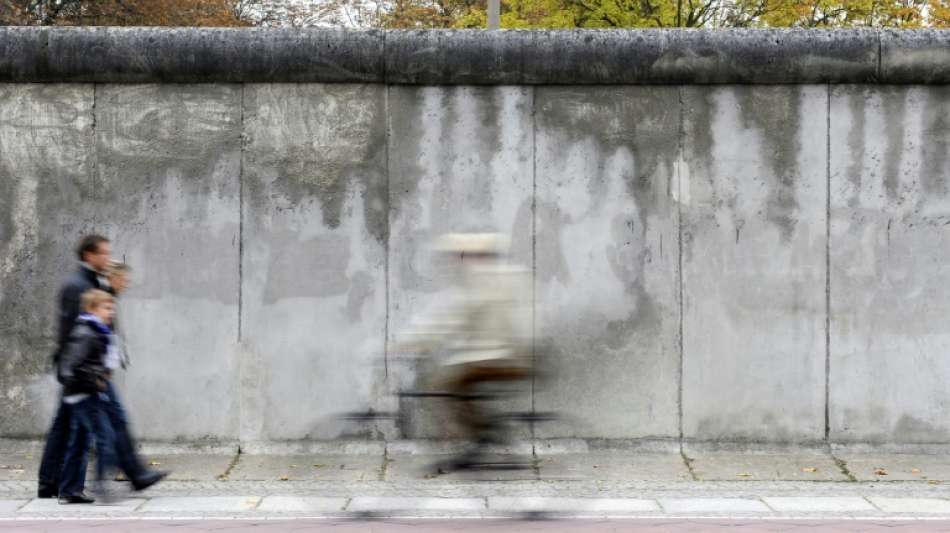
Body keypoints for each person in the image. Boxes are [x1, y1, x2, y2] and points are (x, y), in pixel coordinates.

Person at [396, 233, 533, 471]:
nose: (457, 261)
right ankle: (483, 436)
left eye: (462, 255)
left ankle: (477, 440)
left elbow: (447, 321)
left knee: (441, 385)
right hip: (508, 356)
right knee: (459, 389)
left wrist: (405, 344)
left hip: (500, 359)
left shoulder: (481, 281)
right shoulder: (504, 277)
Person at [37, 235, 111, 499]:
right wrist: (78, 371)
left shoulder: (88, 282)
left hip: (77, 370)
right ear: (89, 255)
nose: (107, 259)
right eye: (103, 254)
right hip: (78, 372)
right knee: (75, 430)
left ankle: (51, 484)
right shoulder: (77, 286)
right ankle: (64, 486)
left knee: (66, 427)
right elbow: (73, 333)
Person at [100, 261, 167, 490]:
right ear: (112, 277)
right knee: (116, 421)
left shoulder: (107, 298)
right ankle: (134, 474)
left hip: (97, 372)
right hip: (97, 374)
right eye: (123, 279)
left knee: (85, 425)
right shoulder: (102, 299)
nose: (126, 284)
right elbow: (98, 336)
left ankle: (53, 480)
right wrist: (103, 369)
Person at [57, 289, 120, 504]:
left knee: (80, 443)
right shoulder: (87, 332)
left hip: (83, 393)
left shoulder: (96, 330)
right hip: (84, 395)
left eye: (112, 307)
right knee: (106, 438)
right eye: (106, 307)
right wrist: (95, 379)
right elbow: (68, 366)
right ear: (92, 309)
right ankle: (100, 485)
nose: (111, 312)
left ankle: (69, 490)